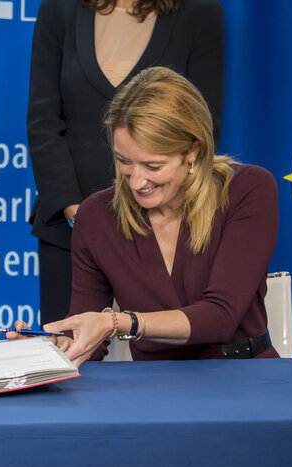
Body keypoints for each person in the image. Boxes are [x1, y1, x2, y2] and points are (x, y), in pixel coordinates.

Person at [7, 66, 279, 365]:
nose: (136, 182)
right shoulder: (96, 216)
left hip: (244, 379)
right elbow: (90, 345)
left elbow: (220, 317)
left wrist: (119, 322)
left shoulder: (248, 189)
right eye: (124, 161)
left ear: (193, 152)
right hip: (153, 392)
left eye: (153, 166)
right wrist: (49, 349)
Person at [27, 0, 224, 325]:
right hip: (70, 232)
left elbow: (202, 126)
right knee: (72, 356)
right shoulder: (59, 7)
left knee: (167, 367)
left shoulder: (200, 10)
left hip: (167, 234)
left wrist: (158, 220)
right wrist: (81, 218)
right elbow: (42, 122)